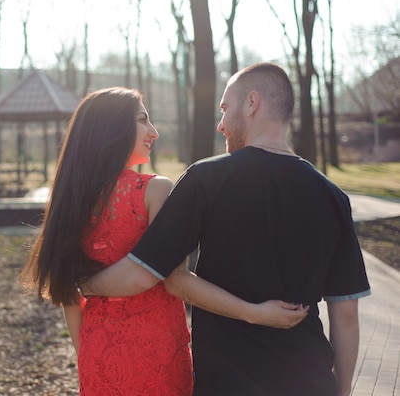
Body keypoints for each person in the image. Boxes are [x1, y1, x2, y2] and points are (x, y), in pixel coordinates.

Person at [79, 63, 371, 396]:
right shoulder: (333, 196)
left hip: (227, 381)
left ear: (251, 103)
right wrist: (342, 390)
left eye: (225, 107)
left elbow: (159, 276)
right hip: (309, 381)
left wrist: (83, 282)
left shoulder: (205, 179)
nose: (220, 124)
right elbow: (346, 313)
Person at [21, 86, 308, 395]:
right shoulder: (155, 190)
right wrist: (253, 312)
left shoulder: (71, 200)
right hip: (156, 354)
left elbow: (69, 293)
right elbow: (175, 279)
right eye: (143, 120)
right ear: (112, 128)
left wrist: (89, 356)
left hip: (97, 353)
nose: (154, 132)